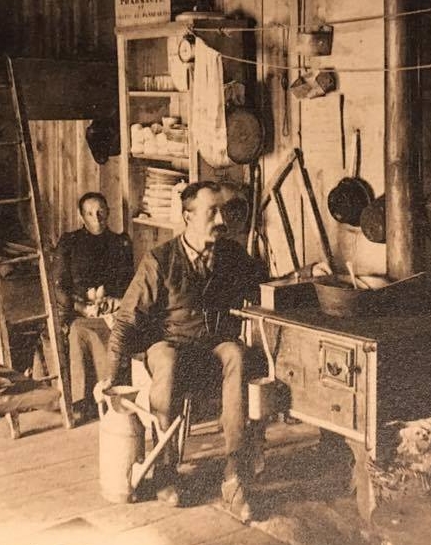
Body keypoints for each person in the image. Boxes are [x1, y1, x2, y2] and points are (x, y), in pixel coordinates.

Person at [103, 181, 328, 522]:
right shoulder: (160, 260)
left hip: (213, 345)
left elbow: (266, 286)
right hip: (170, 343)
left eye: (223, 212)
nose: (221, 220)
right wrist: (111, 377)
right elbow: (125, 321)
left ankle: (234, 475)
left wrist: (306, 274)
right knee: (167, 359)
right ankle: (165, 470)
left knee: (236, 354)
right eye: (212, 212)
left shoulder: (231, 255)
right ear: (188, 217)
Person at [53, 192, 134, 419]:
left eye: (100, 212)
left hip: (111, 310)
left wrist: (117, 301)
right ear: (81, 216)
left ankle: (111, 394)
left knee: (120, 331)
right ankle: (81, 401)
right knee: (80, 332)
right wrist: (81, 308)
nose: (96, 218)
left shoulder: (120, 242)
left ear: (108, 212)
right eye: (89, 213)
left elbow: (130, 284)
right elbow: (58, 286)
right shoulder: (69, 243)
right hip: (78, 311)